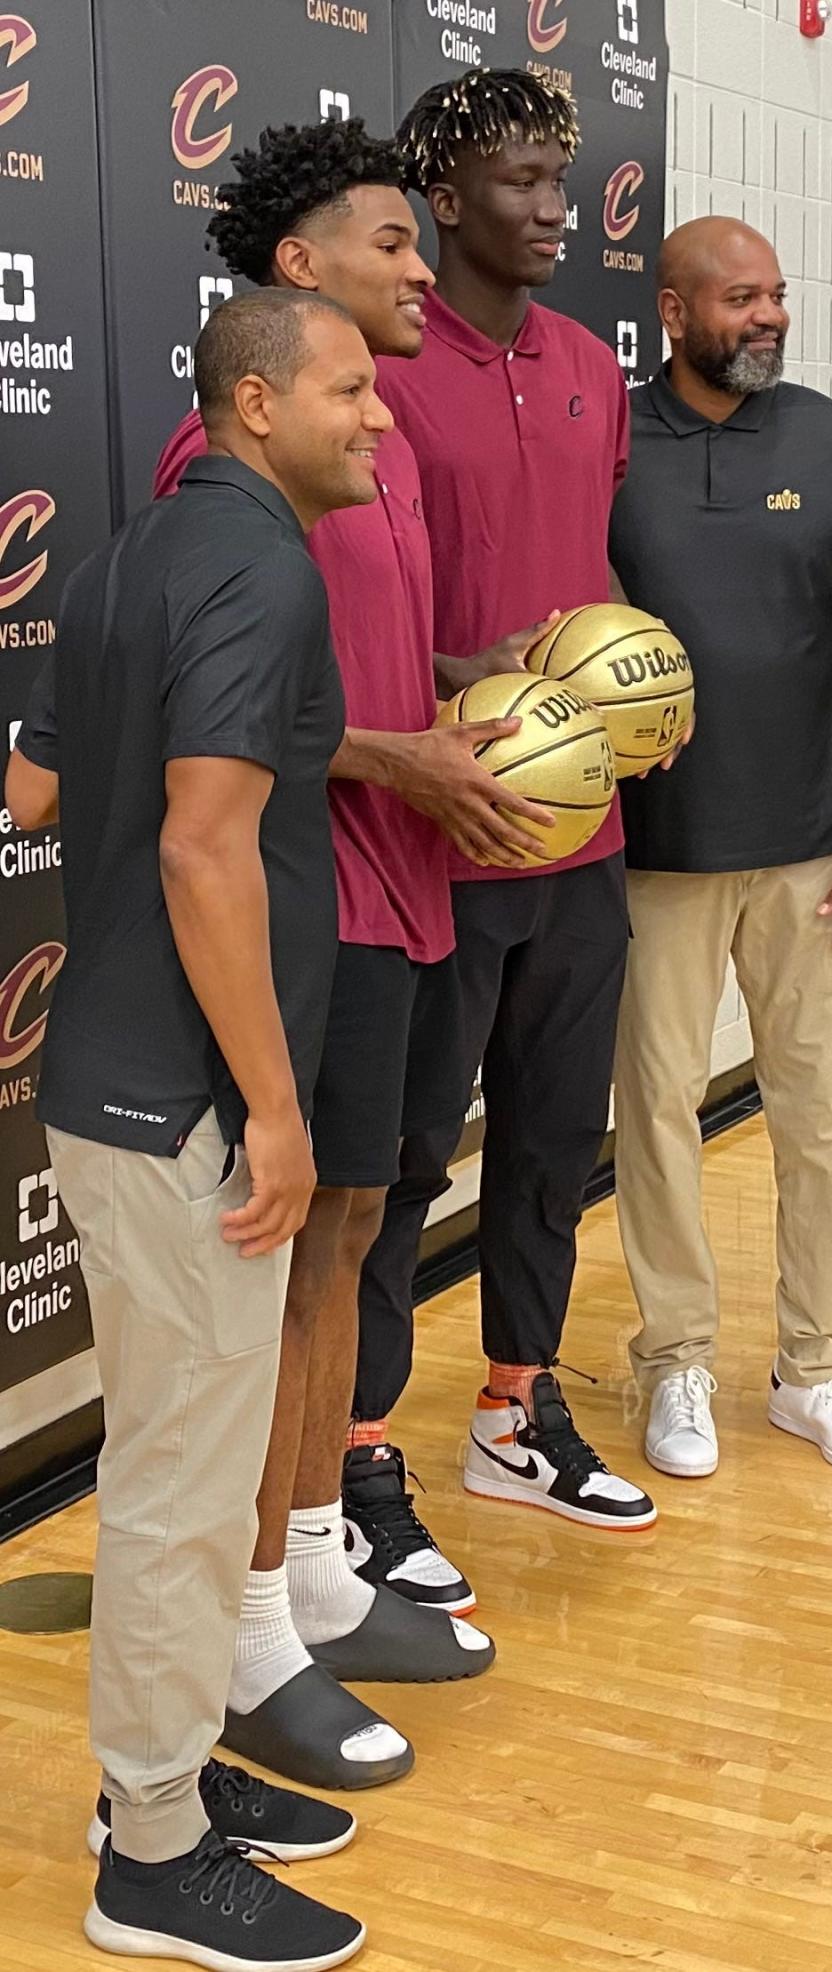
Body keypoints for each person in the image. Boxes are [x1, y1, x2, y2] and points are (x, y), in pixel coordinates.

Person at [150, 116, 558, 1750]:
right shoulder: (222, 469)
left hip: (402, 893)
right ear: (296, 265)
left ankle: (315, 1564)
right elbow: (223, 717)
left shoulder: (364, 448)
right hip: (306, 906)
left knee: (352, 1237)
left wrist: (485, 678)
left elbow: (366, 671)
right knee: (290, 1268)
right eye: (391, 241)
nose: (419, 265)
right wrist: (398, 755)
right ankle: (246, 1633)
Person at [5, 290, 381, 1969]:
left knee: (178, 1458)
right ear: (252, 403)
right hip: (184, 1111)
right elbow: (201, 850)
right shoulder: (258, 565)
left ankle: (157, 1781)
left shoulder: (119, 556)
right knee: (177, 1487)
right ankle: (148, 1852)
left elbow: (33, 793)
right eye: (349, 387)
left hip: (119, 1085)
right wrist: (280, 1112)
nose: (375, 415)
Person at [349, 67, 658, 1581]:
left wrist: (628, 695)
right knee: (405, 1158)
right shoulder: (384, 366)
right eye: (525, 182)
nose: (555, 209)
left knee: (551, 1145)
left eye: (563, 177)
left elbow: (583, 573)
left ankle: (519, 1410)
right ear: (445, 197)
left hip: (582, 848)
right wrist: (465, 680)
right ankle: (355, 1451)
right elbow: (364, 606)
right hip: (439, 840)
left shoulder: (597, 363)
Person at [609, 216, 832, 1482]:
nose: (771, 318)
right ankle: (676, 1357)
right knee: (658, 1115)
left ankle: (816, 1370)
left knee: (820, 1113)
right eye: (742, 298)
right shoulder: (610, 446)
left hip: (811, 854)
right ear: (674, 311)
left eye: (779, 297)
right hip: (652, 855)